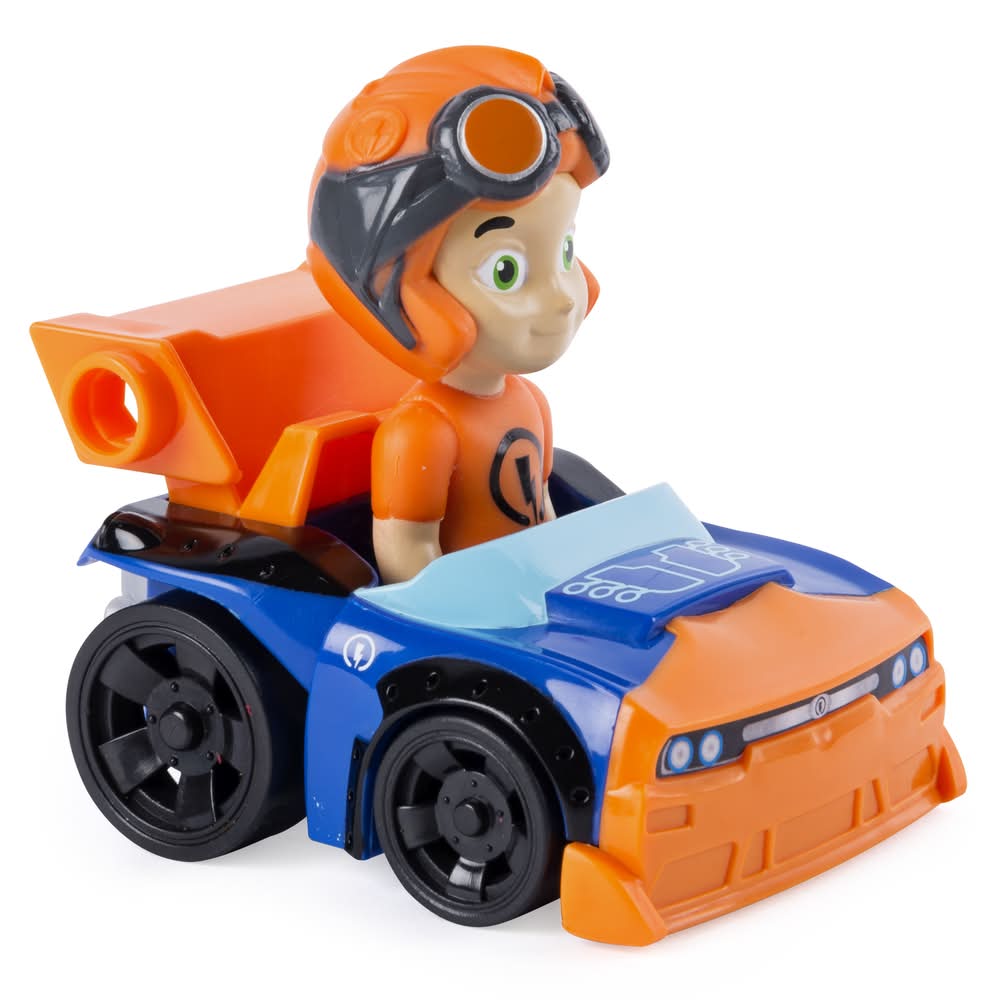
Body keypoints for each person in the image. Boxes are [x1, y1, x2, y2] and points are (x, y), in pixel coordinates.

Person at [307, 46, 609, 582]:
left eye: (565, 252)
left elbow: (541, 513)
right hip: (471, 612)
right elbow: (407, 554)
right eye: (506, 271)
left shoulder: (529, 401)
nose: (563, 297)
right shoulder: (420, 431)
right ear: (409, 296)